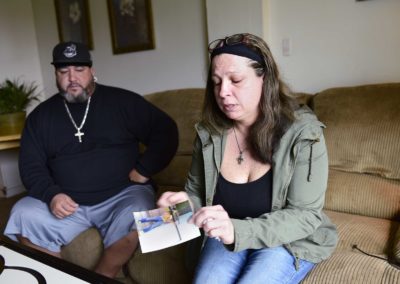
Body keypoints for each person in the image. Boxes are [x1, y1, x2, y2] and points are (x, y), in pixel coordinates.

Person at [157, 33, 338, 284]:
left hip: (286, 240)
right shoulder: (209, 133)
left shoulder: (303, 133)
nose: (223, 92)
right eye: (216, 82)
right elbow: (199, 192)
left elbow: (305, 215)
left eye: (236, 80)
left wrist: (237, 231)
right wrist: (182, 203)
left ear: (264, 78)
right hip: (225, 232)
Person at [4, 41, 179, 278]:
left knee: (141, 212)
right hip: (67, 202)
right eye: (64, 72)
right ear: (55, 75)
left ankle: (100, 278)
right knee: (22, 213)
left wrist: (144, 168)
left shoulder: (123, 102)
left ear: (92, 71)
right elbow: (30, 165)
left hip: (122, 195)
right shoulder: (41, 117)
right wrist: (52, 195)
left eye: (79, 69)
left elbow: (165, 131)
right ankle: (64, 279)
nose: (72, 78)